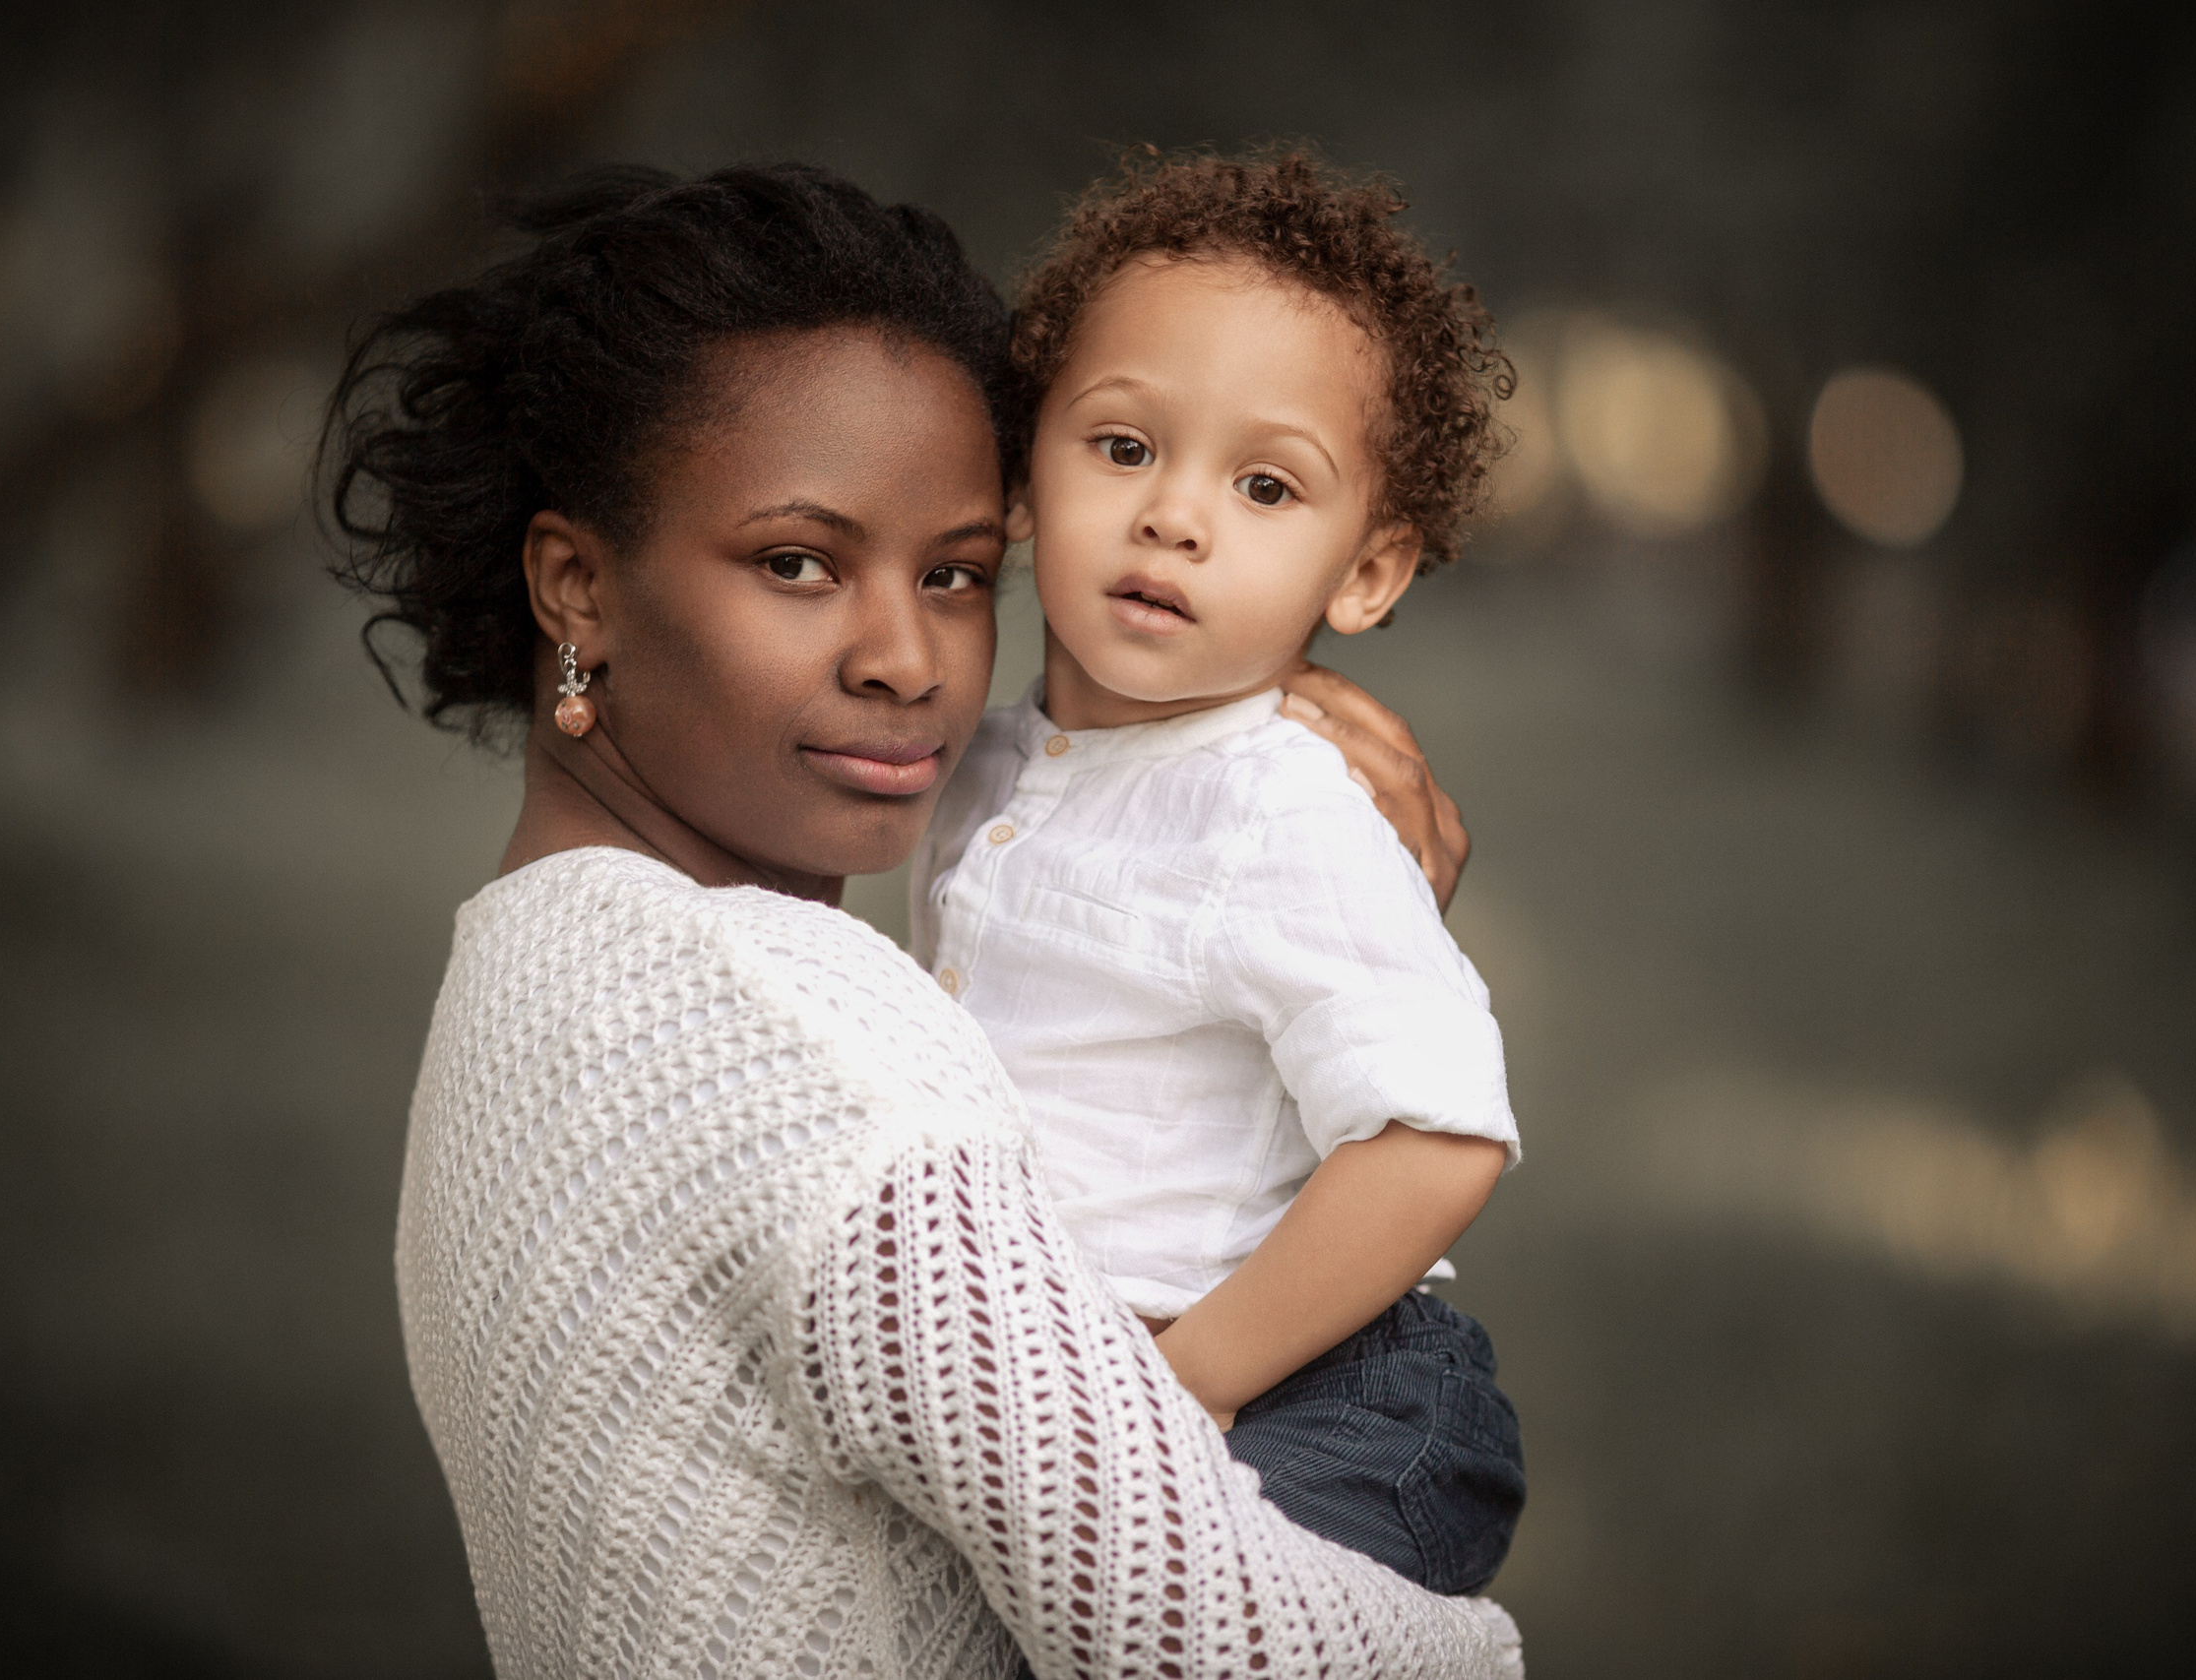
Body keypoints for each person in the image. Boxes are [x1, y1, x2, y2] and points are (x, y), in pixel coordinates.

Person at [327, 161, 1521, 1678]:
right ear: (577, 584)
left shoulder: (526, 964)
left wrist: (1241, 768)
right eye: (798, 563)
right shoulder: (808, 1050)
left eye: (956, 573)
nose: (908, 659)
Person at [910, 151, 1522, 1597]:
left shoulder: (1282, 800)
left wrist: (1183, 1388)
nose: (1176, 515)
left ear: (1364, 576)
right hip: (1115, 1376)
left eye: (1264, 485)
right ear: (1019, 476)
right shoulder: (984, 762)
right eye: (1122, 448)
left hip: (1335, 1393)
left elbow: (1439, 1137)